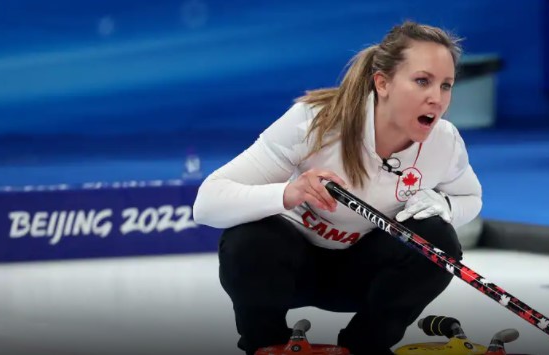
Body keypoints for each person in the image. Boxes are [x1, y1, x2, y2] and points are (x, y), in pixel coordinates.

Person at [192, 21, 482, 355]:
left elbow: (471, 198)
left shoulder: (444, 141)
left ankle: (364, 347)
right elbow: (207, 203)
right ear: (382, 83)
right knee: (249, 238)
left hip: (365, 278)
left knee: (438, 238)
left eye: (446, 86)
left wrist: (445, 205)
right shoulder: (317, 120)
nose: (437, 98)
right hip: (289, 272)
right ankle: (266, 345)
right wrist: (288, 193)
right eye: (422, 81)